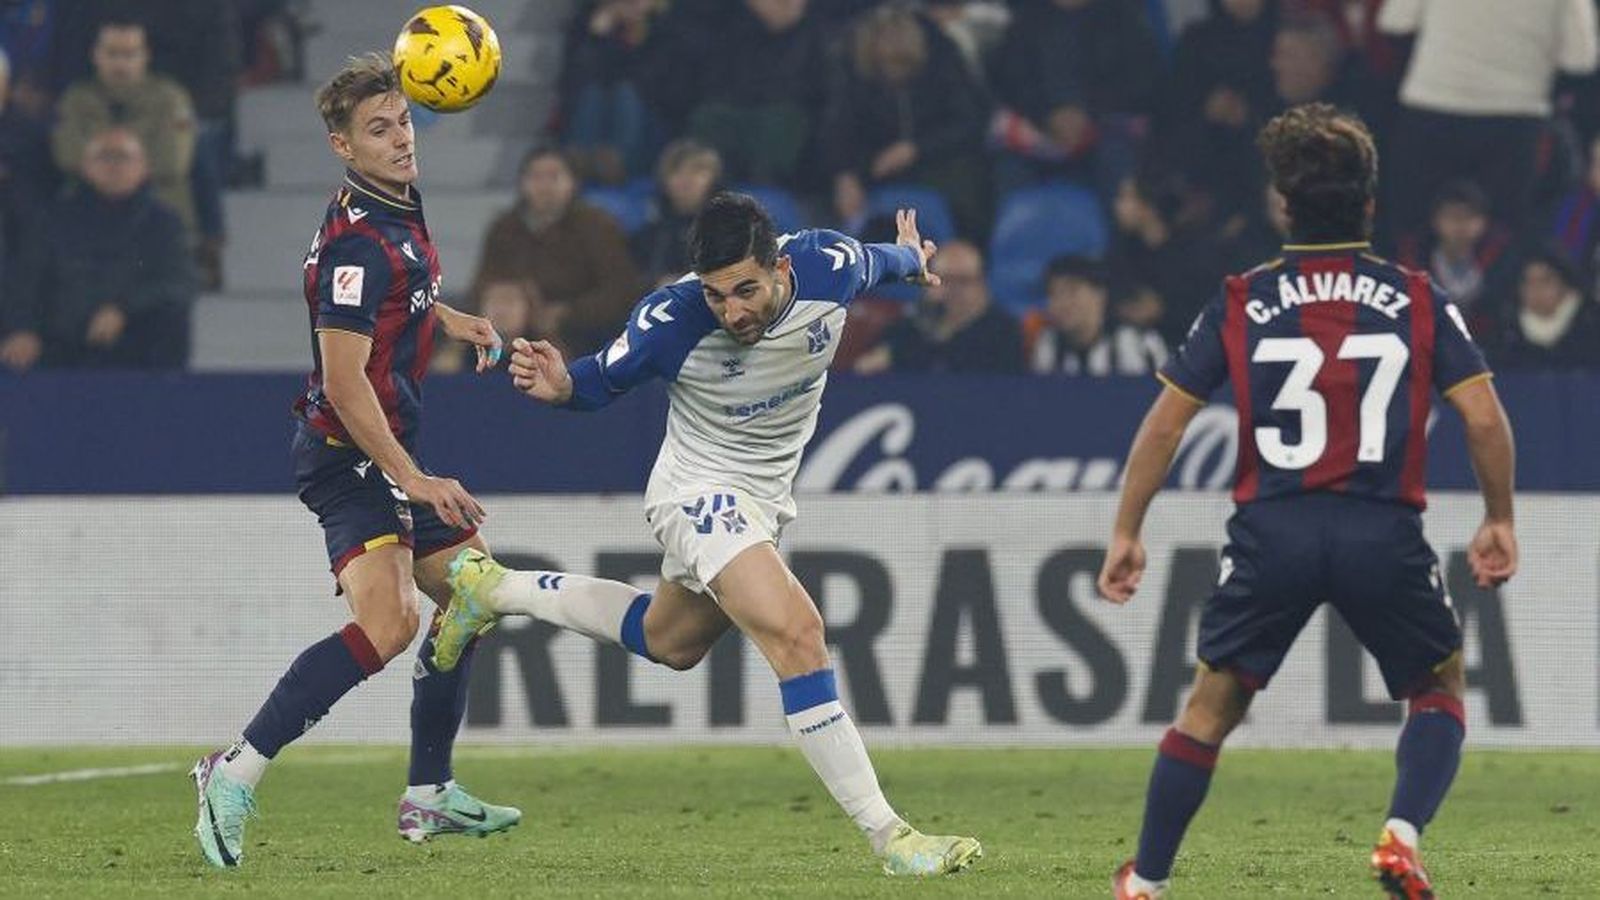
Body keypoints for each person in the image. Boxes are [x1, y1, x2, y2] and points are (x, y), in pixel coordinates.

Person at [430, 193, 983, 876]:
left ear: (781, 265)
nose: (734, 312)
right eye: (719, 297)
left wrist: (912, 260)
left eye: (746, 290)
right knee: (798, 635)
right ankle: (891, 837)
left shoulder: (830, 264)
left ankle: (497, 589)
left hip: (763, 499)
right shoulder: (672, 318)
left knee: (672, 641)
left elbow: (881, 262)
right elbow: (599, 381)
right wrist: (560, 384)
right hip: (697, 493)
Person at [1102, 104, 1518, 900]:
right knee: (1438, 688)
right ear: (1370, 203)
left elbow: (1165, 425)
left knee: (1207, 712)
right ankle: (1400, 838)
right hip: (1380, 529)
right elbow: (1485, 418)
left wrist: (1127, 529)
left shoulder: (1241, 299)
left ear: (1282, 206)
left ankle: (1145, 882)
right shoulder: (1418, 297)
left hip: (1274, 532)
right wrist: (1498, 517)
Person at [190, 54, 518, 869]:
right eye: (380, 130)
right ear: (343, 146)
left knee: (472, 601)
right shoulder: (357, 245)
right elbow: (342, 378)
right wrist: (411, 477)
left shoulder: (393, 203)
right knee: (392, 623)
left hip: (380, 446)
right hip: (348, 453)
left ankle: (429, 797)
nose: (402, 138)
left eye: (404, 121)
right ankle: (232, 773)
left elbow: (398, 297)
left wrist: (452, 319)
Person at [1378, 0, 1599, 239]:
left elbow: (1394, 22)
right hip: (1514, 114)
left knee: (1413, 230)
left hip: (1431, 105)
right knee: (1503, 240)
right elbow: (1580, 58)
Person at [1, 128, 194, 371]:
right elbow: (24, 280)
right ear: (85, 166)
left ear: (144, 167)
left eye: (123, 157)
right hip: (61, 343)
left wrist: (122, 308)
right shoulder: (52, 219)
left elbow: (177, 282)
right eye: (104, 157)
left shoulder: (164, 223)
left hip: (136, 339)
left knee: (171, 318)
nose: (114, 166)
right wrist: (22, 329)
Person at [824, 4, 991, 240]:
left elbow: (970, 122)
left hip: (941, 167)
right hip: (872, 174)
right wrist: (846, 174)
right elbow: (838, 128)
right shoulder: (850, 69)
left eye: (902, 65)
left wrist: (916, 149)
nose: (895, 73)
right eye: (886, 66)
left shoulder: (944, 56)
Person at [470, 143, 643, 356]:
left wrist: (566, 313)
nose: (544, 186)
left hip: (583, 331)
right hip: (514, 330)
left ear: (573, 182)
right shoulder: (504, 228)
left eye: (554, 177)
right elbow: (484, 283)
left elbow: (620, 289)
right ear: (523, 183)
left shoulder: (597, 226)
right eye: (535, 177)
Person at [51, 17, 198, 237]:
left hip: (157, 212)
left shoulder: (172, 99)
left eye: (130, 54)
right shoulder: (75, 99)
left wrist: (105, 164)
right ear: (96, 55)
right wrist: (128, 163)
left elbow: (172, 162)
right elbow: (67, 155)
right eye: (111, 53)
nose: (120, 63)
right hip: (89, 214)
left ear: (145, 55)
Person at [855, 239, 1023, 374]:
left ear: (982, 285)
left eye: (964, 281)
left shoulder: (1004, 333)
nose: (954, 290)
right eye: (945, 280)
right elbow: (867, 368)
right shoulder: (906, 329)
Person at [1025, 255, 1169, 376]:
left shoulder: (1142, 343)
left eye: (1072, 291)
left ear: (1100, 294)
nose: (1062, 303)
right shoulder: (1048, 346)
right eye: (1053, 294)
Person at [631, 138, 722, 286]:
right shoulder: (651, 230)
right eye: (677, 172)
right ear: (664, 180)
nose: (686, 180)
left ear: (713, 178)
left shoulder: (729, 228)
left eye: (697, 172)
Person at [1491, 248, 1600, 370]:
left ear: (1565, 284)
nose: (1536, 289)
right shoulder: (1506, 333)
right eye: (1528, 282)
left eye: (1545, 280)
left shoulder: (1592, 325)